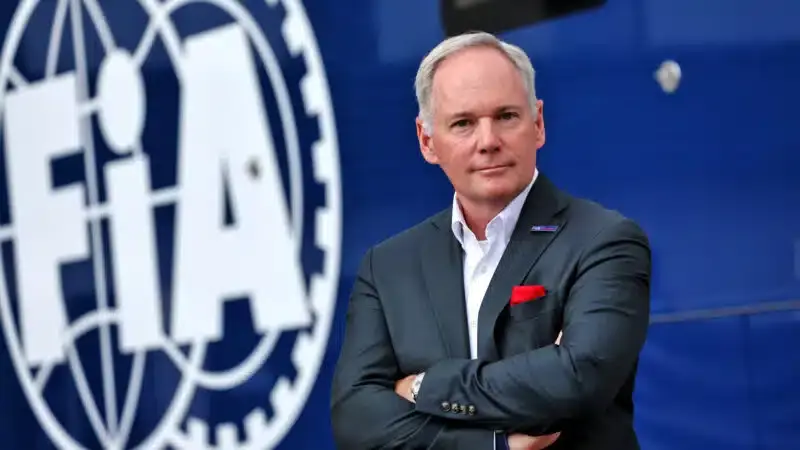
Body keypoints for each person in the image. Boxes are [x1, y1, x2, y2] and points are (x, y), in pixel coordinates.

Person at [330, 31, 651, 450]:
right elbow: (356, 420)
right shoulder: (387, 266)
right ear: (427, 141)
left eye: (506, 117)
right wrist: (494, 446)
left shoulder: (605, 242)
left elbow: (576, 380)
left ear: (538, 124)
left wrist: (423, 386)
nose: (488, 141)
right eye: (463, 123)